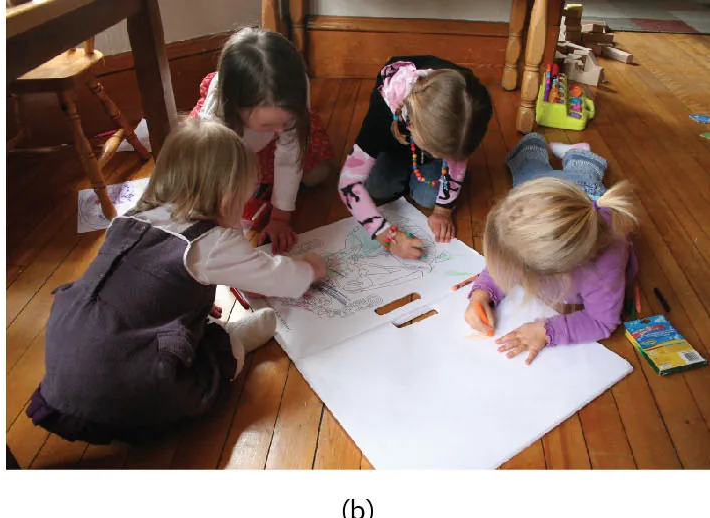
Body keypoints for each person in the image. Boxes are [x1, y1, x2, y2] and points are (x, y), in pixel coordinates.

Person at [27, 119, 327, 444]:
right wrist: (310, 269)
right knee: (214, 361)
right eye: (245, 196)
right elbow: (279, 278)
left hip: (67, 366)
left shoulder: (130, 219)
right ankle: (232, 343)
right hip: (123, 392)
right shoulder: (211, 241)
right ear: (227, 197)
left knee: (180, 328)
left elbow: (142, 289)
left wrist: (188, 300)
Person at [465, 133, 638, 364]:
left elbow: (602, 322)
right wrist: (482, 292)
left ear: (553, 272)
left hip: (583, 195)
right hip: (556, 194)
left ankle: (580, 155)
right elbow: (506, 258)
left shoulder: (602, 272)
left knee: (579, 174)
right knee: (530, 172)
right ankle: (538, 146)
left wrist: (547, 331)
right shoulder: (524, 240)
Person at [190, 27, 336, 254]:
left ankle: (265, 185)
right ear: (235, 105)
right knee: (216, 190)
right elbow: (215, 171)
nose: (278, 130)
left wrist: (280, 218)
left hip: (265, 147)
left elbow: (290, 153)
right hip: (233, 147)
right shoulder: (217, 115)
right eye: (268, 124)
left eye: (283, 121)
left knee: (318, 174)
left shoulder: (294, 90)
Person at [337, 56, 492, 259]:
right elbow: (348, 182)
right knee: (377, 187)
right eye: (439, 152)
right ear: (412, 126)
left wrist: (443, 211)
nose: (446, 157)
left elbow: (457, 156)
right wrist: (386, 236)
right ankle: (413, 165)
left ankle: (425, 167)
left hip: (431, 139)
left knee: (429, 197)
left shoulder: (470, 107)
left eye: (448, 155)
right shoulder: (383, 109)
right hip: (393, 146)